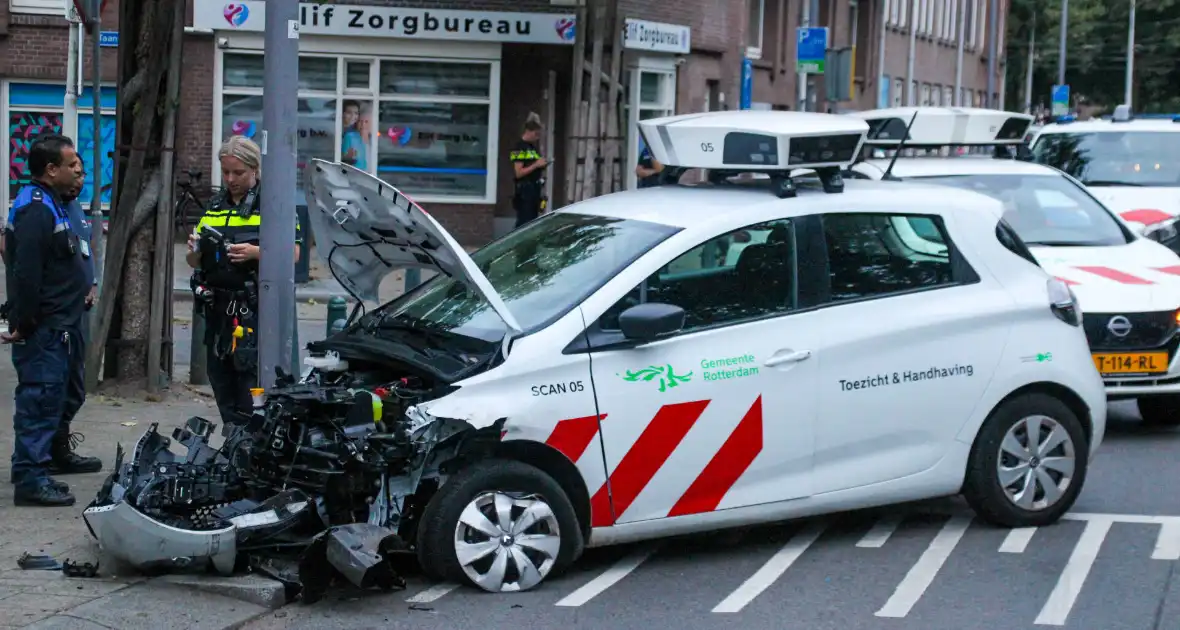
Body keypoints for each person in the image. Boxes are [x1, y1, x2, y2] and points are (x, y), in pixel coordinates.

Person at [186, 136, 301, 429]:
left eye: (238, 173)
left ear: (255, 170)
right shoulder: (215, 205)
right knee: (220, 379)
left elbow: (294, 253)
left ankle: (249, 445)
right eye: (225, 172)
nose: (230, 179)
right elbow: (192, 262)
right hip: (218, 311)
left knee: (250, 385)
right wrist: (196, 252)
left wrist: (256, 253)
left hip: (253, 309)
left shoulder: (273, 203)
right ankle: (232, 442)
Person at [1, 133, 89, 506]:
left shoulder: (53, 202)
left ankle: (41, 467)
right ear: (51, 170)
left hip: (60, 324)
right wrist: (24, 321)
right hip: (45, 328)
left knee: (54, 398)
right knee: (38, 401)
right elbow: (25, 271)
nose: (77, 172)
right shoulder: (36, 209)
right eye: (71, 166)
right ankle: (30, 480)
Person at [49, 175, 103, 476]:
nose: (79, 178)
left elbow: (84, 248)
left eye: (82, 172)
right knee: (51, 386)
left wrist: (91, 282)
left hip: (78, 308)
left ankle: (58, 448)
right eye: (73, 170)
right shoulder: (43, 208)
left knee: (75, 386)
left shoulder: (74, 207)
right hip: (57, 312)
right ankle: (45, 456)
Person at [510, 112, 548, 228]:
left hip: (534, 191)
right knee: (523, 224)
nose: (537, 137)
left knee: (532, 223)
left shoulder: (532, 148)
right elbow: (518, 173)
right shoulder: (519, 147)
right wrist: (536, 165)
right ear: (529, 131)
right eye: (536, 134)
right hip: (525, 192)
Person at [341, 100, 369, 171]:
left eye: (356, 113)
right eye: (349, 113)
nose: (353, 116)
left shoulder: (355, 135)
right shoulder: (340, 131)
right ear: (343, 113)